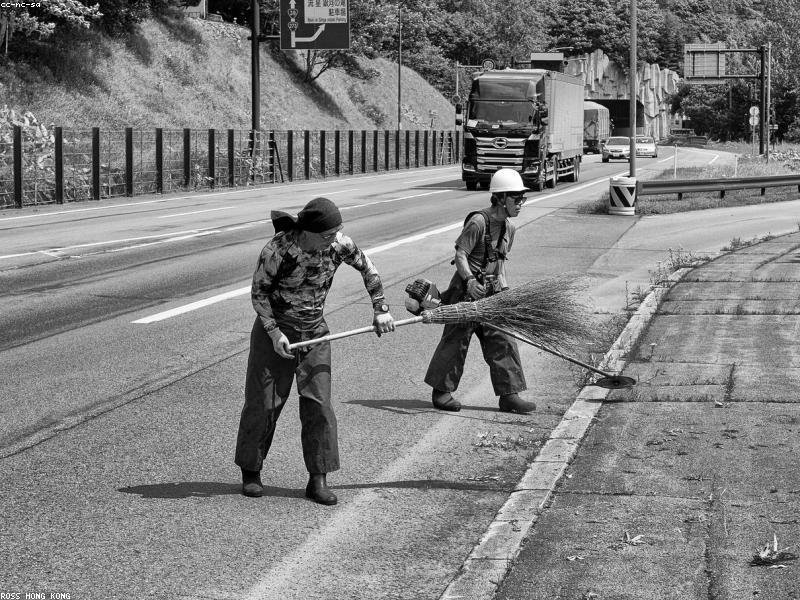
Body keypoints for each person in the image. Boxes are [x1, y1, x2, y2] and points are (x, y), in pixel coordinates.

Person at [235, 197, 395, 504]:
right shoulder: (278, 250)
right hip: (276, 331)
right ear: (307, 231)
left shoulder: (339, 244)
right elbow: (259, 294)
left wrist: (381, 309)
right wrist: (274, 333)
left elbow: (369, 270)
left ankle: (318, 478)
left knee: (319, 404)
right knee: (264, 402)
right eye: (327, 234)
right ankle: (251, 470)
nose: (333, 239)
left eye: (337, 232)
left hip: (315, 331)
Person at [423, 168, 535, 414]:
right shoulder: (478, 222)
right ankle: (441, 393)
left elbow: (500, 264)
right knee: (456, 341)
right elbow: (460, 255)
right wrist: (471, 281)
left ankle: (509, 396)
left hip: (492, 292)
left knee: (503, 339)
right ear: (501, 198)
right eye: (517, 198)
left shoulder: (510, 229)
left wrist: (506, 293)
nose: (521, 203)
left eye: (522, 198)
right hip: (465, 291)